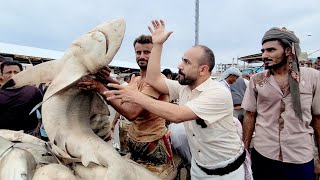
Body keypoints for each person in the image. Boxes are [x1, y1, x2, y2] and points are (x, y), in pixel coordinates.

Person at [105, 20, 248, 179]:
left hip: (227, 173)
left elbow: (177, 115)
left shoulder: (218, 93)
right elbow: (153, 79)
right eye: (182, 59)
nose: (179, 65)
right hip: (199, 169)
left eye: (186, 62)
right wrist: (158, 45)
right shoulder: (184, 88)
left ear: (203, 70)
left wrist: (135, 96)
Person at [78, 35, 172, 167]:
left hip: (152, 145)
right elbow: (125, 92)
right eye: (138, 52)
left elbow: (132, 113)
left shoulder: (156, 81)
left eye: (147, 52)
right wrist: (107, 78)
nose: (142, 56)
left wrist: (100, 88)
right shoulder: (138, 79)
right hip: (135, 142)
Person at [242, 27, 320, 180]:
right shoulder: (257, 80)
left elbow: (318, 119)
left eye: (271, 50)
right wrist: (245, 153)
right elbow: (250, 116)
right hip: (263, 154)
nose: (264, 55)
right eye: (263, 50)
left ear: (288, 51)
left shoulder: (313, 77)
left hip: (300, 157)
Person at [0, 61, 43, 136]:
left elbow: (44, 111)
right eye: (8, 72)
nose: (13, 75)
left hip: (29, 135)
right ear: (2, 75)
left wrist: (38, 127)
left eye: (16, 72)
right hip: (3, 136)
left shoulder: (33, 91)